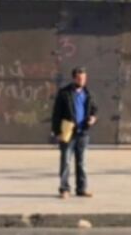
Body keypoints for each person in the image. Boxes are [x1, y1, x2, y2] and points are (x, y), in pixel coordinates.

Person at [50, 66, 97, 199]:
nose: (82, 81)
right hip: (68, 132)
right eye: (79, 78)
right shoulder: (64, 93)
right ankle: (64, 189)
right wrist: (57, 131)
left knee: (81, 162)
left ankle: (81, 189)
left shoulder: (88, 93)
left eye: (84, 78)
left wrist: (93, 118)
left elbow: (94, 110)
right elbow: (56, 114)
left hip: (83, 133)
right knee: (66, 161)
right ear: (74, 78)